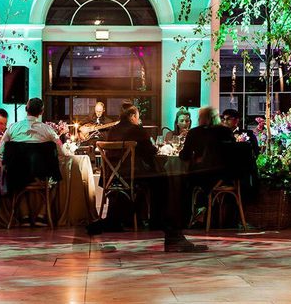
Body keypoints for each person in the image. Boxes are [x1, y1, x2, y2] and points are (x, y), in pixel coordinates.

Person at [88, 105, 207, 252]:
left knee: (158, 180)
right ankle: (172, 233)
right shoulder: (136, 129)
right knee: (164, 183)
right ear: (132, 116)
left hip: (114, 178)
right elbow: (151, 151)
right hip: (133, 177)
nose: (139, 120)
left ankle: (118, 220)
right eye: (138, 117)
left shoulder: (113, 130)